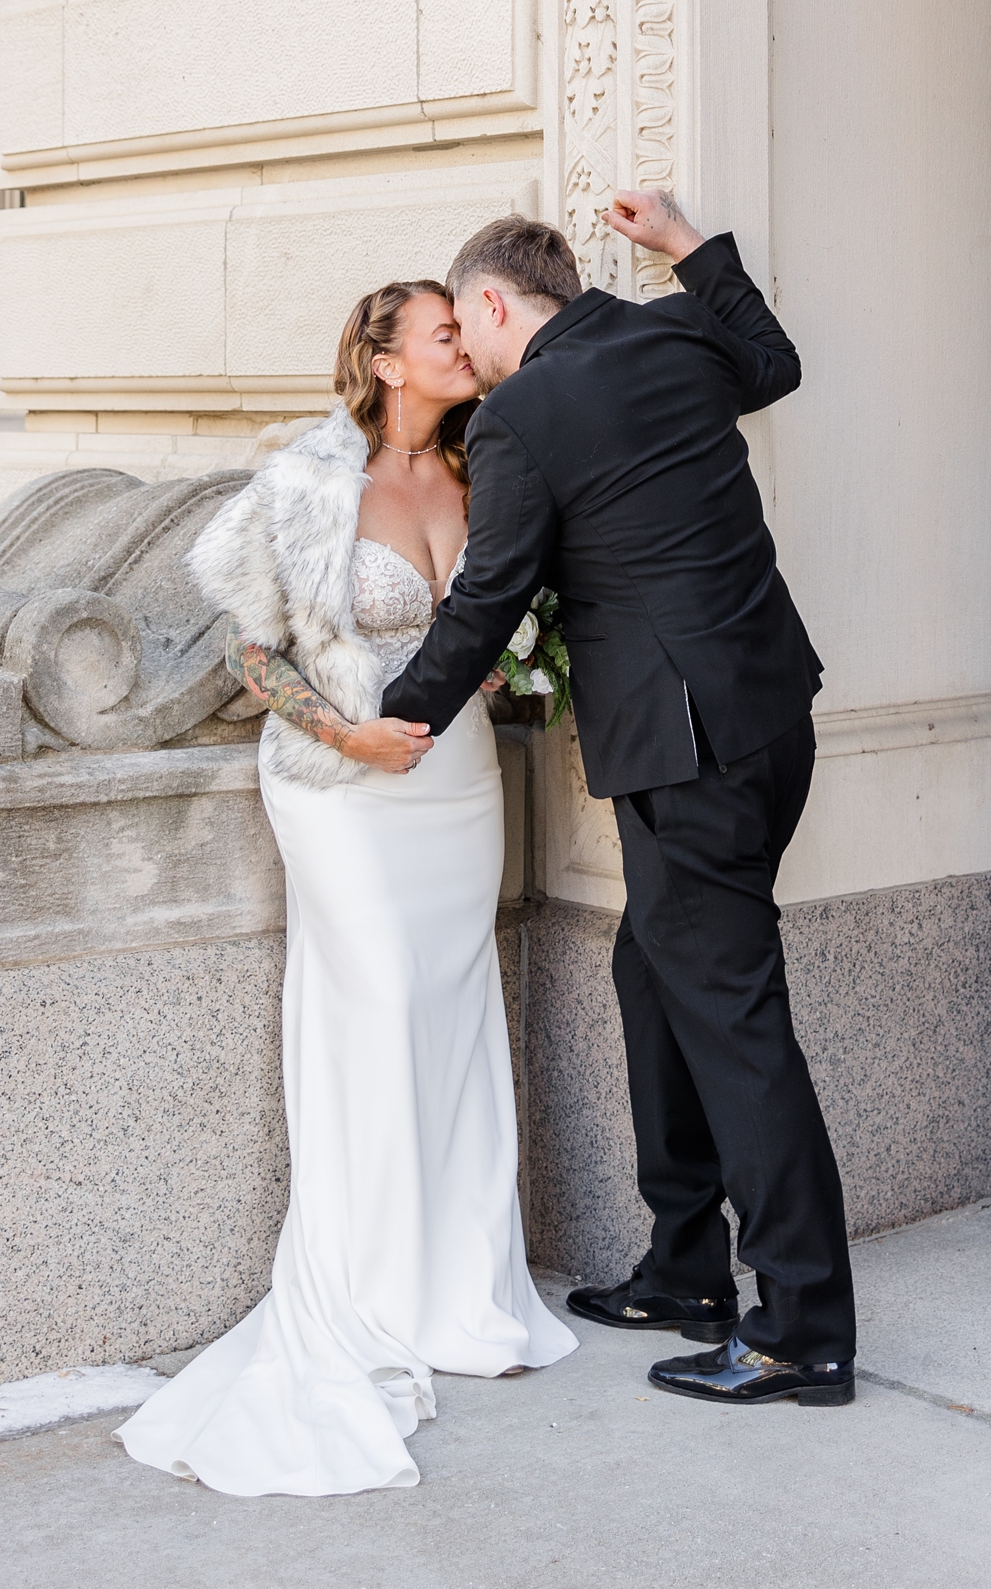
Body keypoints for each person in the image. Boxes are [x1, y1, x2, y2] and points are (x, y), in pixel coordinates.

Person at [379, 194, 857, 1409]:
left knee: (737, 1026)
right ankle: (685, 1267)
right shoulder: (674, 333)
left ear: (493, 303)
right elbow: (776, 361)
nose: (471, 361)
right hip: (770, 717)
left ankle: (802, 1327)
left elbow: (487, 598)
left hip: (687, 754)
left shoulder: (521, 414)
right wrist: (692, 250)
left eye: (468, 331)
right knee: (656, 974)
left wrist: (401, 713)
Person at [116, 280, 575, 1498]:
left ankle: (455, 1290)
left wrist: (499, 677)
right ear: (384, 360)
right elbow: (249, 652)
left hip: (458, 780)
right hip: (340, 786)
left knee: (454, 1008)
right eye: (441, 334)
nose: (463, 347)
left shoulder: (490, 468)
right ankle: (363, 1294)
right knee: (375, 1005)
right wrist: (347, 733)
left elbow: (503, 611)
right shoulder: (309, 481)